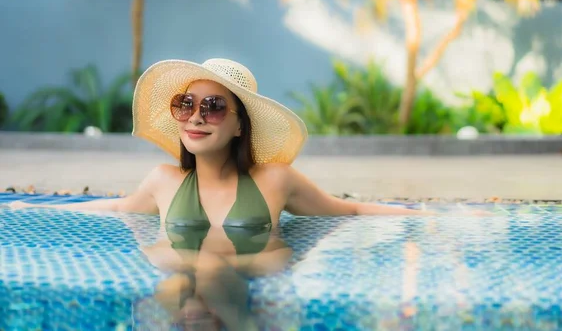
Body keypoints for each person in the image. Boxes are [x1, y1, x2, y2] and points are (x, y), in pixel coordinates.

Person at [6, 58, 455, 329]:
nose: (196, 118)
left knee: (194, 269)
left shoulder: (275, 180)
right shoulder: (163, 181)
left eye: (214, 106)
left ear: (240, 123)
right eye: (186, 105)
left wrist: (421, 216)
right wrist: (29, 207)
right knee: (181, 281)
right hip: (187, 281)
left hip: (247, 273)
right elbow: (118, 209)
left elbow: (349, 209)